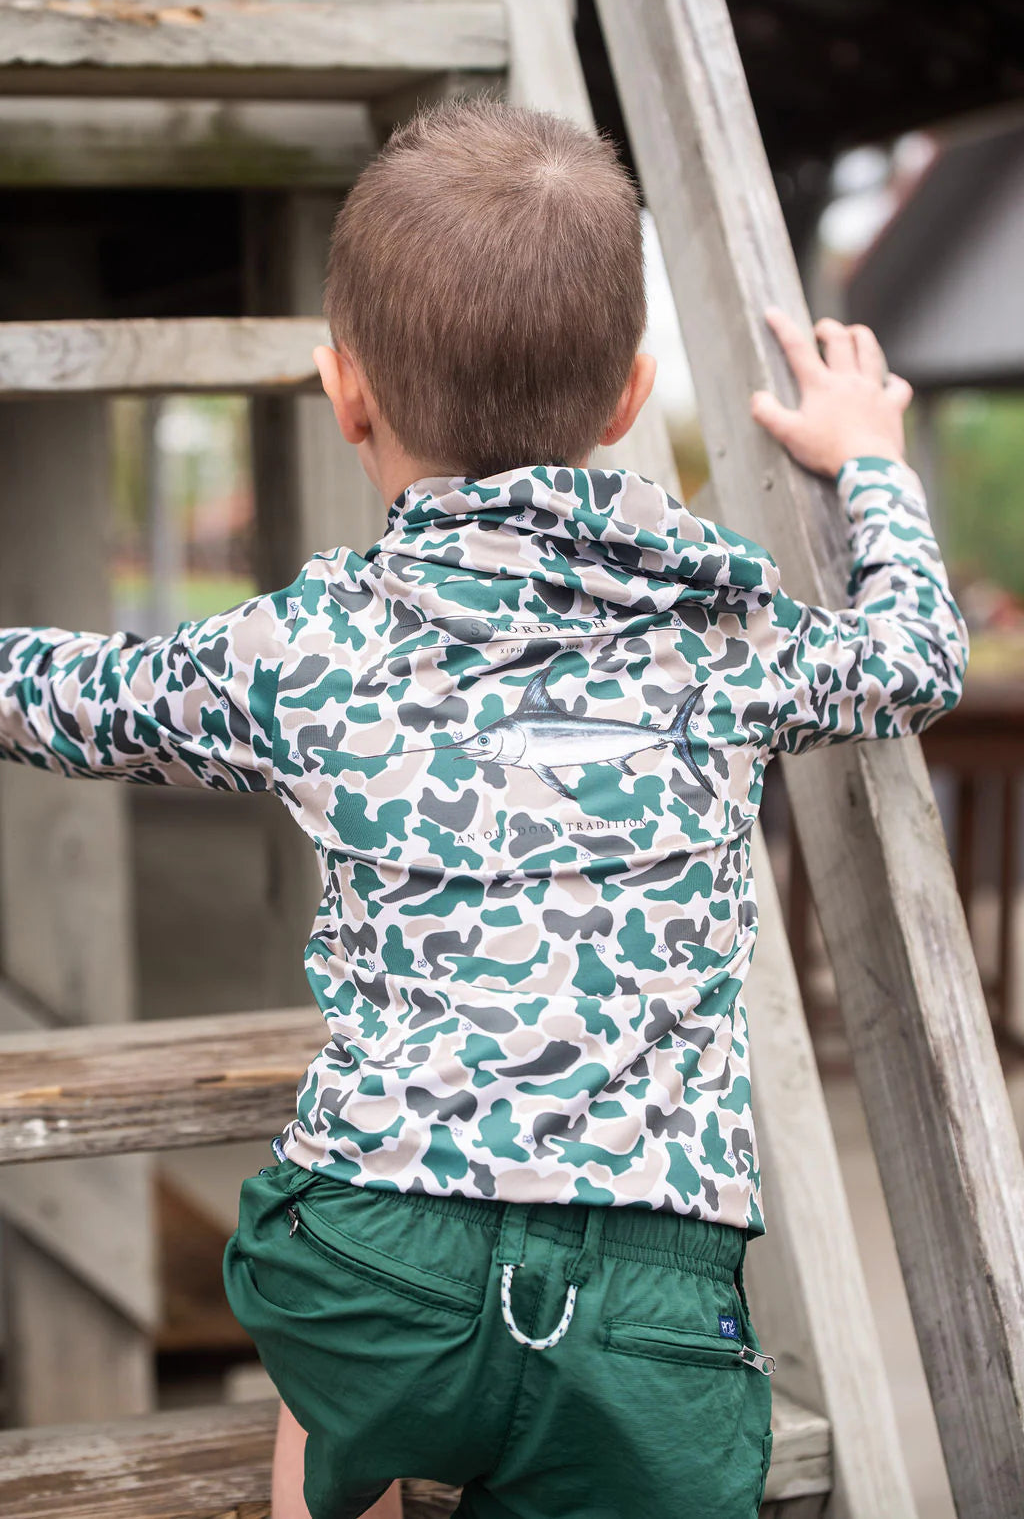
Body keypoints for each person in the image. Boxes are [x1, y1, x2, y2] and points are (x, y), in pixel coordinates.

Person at [0, 101, 967, 1519]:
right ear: (631, 399)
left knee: (321, 1368)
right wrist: (867, 460)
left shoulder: (307, 647)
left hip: (374, 1263)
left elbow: (69, 695)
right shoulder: (724, 633)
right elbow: (917, 654)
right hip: (649, 1303)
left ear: (347, 394)